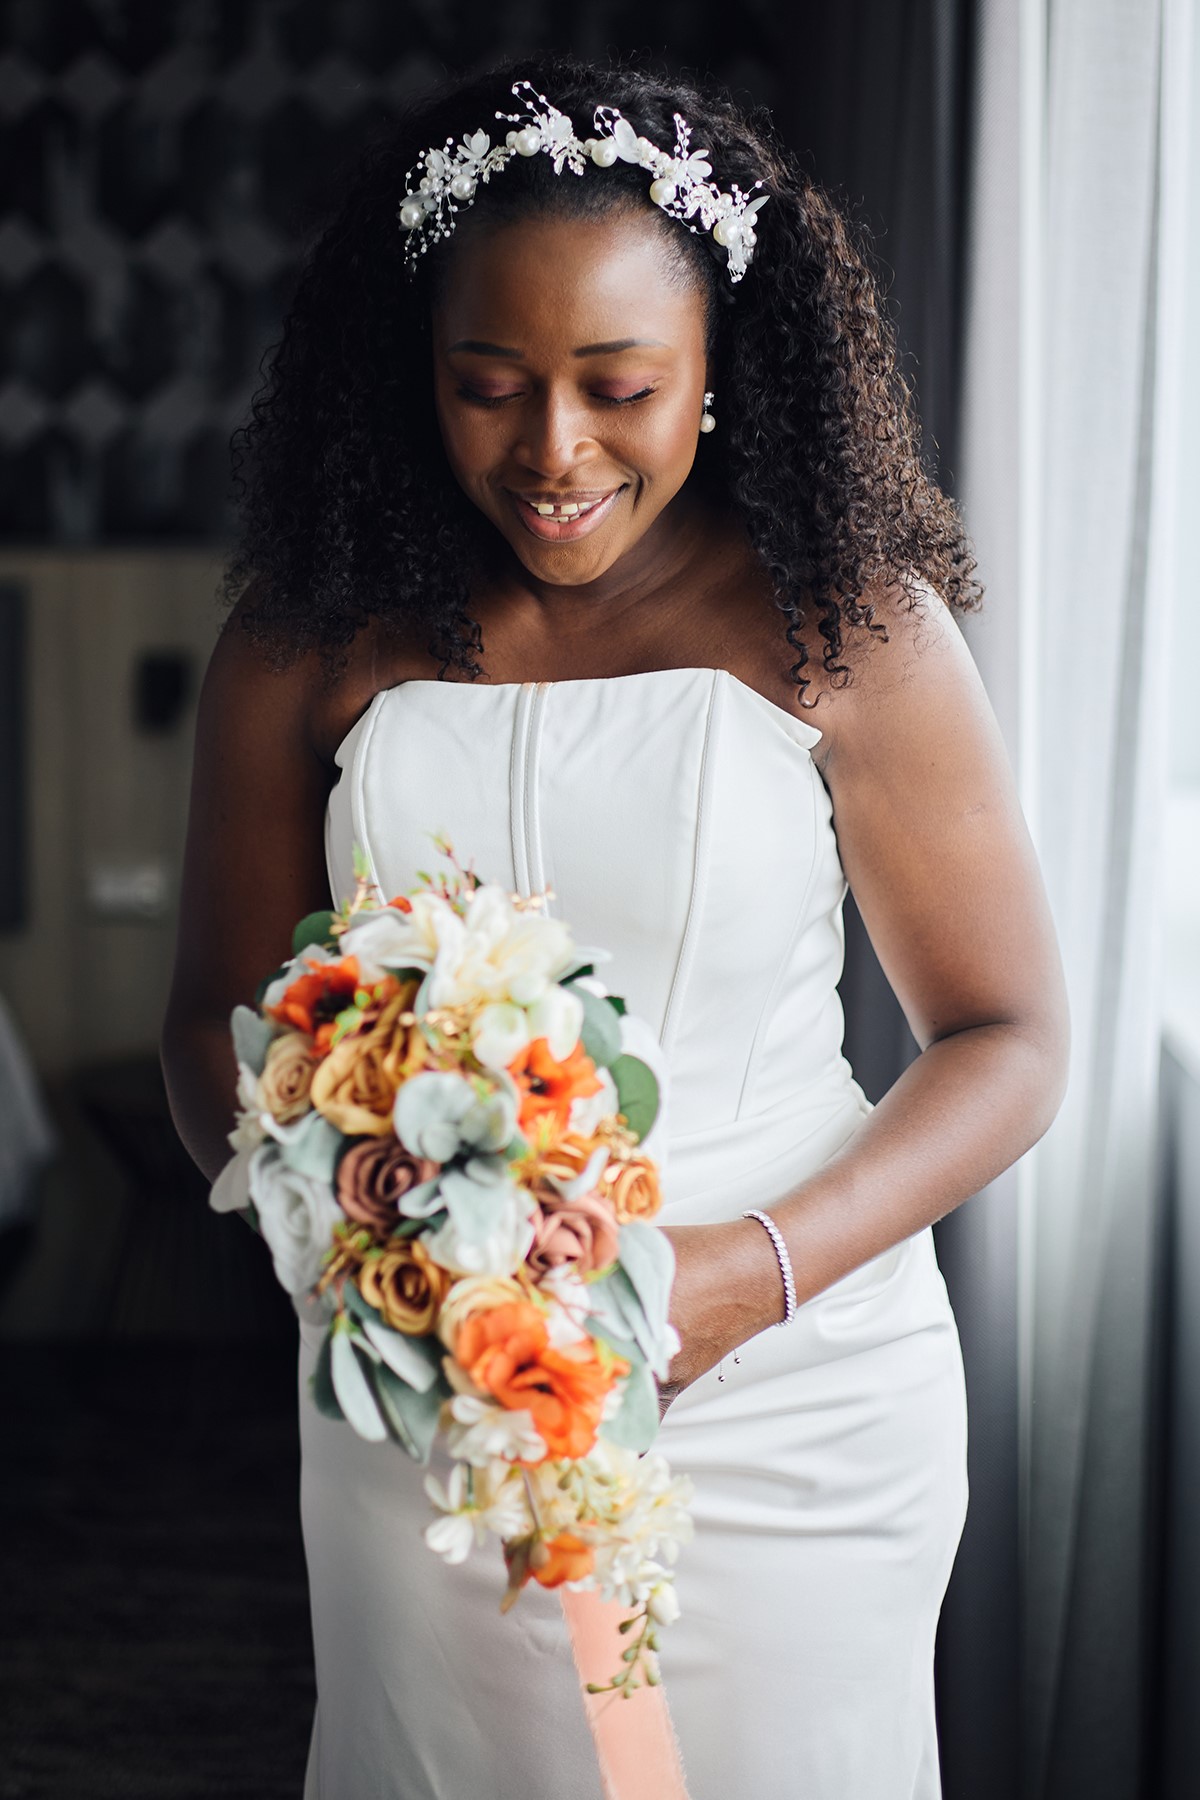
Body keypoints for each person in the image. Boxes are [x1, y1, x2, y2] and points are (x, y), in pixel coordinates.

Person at [161, 50, 1069, 1800]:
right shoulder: (308, 634)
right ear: (416, 375)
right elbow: (216, 1017)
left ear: (722, 367)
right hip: (435, 1387)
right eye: (487, 385)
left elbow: (1008, 1040)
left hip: (796, 1378)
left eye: (620, 386)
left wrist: (757, 1272)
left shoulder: (850, 630)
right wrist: (355, 1260)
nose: (553, 451)